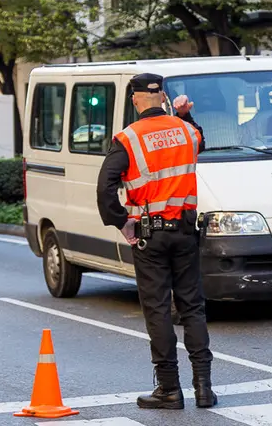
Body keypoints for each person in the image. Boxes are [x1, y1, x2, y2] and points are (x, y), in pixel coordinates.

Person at [96, 73, 217, 410]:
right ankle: (204, 388)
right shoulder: (185, 130)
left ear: (135, 99)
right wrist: (185, 114)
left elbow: (105, 189)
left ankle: (169, 389)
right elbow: (200, 141)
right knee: (192, 306)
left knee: (159, 309)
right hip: (185, 231)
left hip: (150, 234)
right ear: (162, 96)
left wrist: (123, 222)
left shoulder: (128, 138)